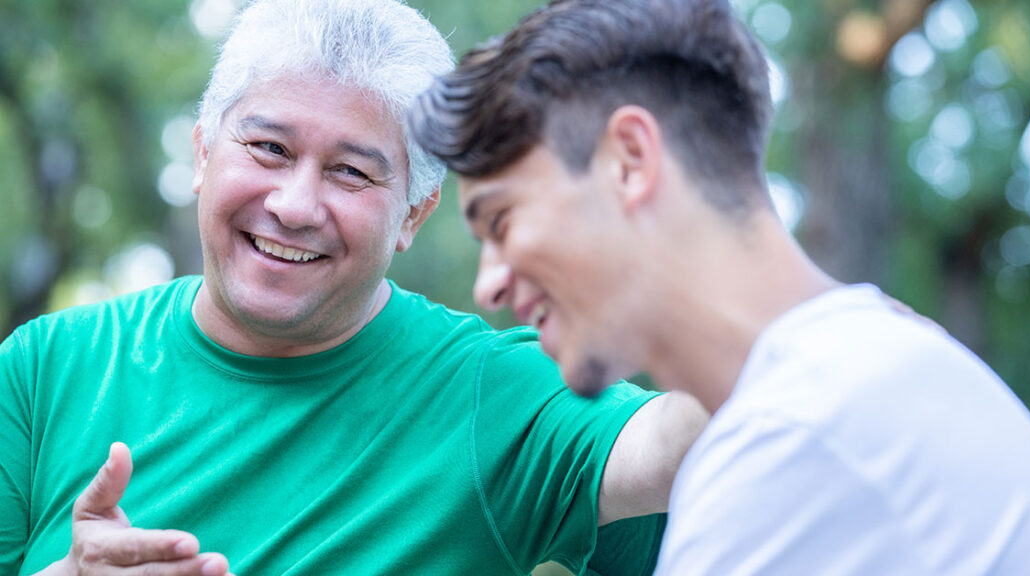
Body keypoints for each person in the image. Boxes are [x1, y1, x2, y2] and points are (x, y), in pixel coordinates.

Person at [0, 0, 709, 574]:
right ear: (202, 152)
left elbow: (679, 446)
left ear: (414, 214)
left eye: (352, 173)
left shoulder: (489, 395)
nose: (296, 205)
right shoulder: (42, 369)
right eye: (269, 148)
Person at [407, 0, 1030, 573]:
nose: (490, 285)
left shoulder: (792, 444)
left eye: (500, 222)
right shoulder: (875, 378)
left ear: (629, 161)